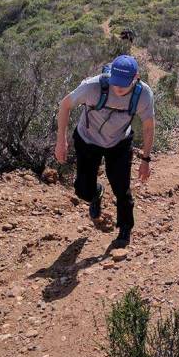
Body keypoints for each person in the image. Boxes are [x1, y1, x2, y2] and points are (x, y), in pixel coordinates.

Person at [54, 55, 155, 248]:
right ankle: (95, 193)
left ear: (136, 77)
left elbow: (149, 127)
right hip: (88, 139)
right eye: (116, 82)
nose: (119, 88)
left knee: (121, 188)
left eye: (125, 84)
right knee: (82, 190)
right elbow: (65, 105)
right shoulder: (92, 87)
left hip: (119, 142)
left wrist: (146, 159)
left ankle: (125, 228)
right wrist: (61, 140)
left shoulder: (143, 95)